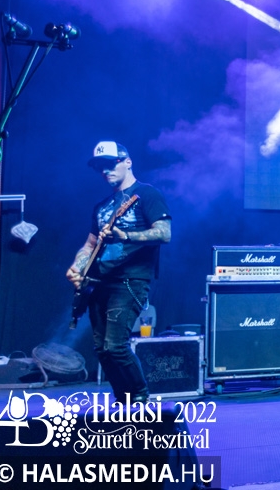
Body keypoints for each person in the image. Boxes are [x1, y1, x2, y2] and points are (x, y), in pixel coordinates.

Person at [66, 142, 171, 404]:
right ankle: (123, 400)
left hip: (130, 280)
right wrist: (77, 267)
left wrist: (125, 235)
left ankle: (141, 397)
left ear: (127, 161)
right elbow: (90, 244)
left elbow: (164, 233)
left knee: (115, 345)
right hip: (98, 282)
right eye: (100, 166)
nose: (105, 170)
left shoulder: (146, 194)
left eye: (111, 163)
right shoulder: (102, 206)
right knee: (102, 349)